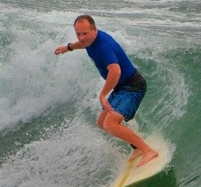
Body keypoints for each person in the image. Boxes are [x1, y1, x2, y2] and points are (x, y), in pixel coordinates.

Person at [54, 14, 158, 167]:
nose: (82, 37)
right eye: (78, 34)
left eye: (85, 33)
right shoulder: (90, 40)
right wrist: (68, 47)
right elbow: (83, 44)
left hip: (132, 86)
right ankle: (136, 146)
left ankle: (148, 151)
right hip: (121, 87)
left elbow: (115, 71)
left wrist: (103, 95)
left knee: (110, 123)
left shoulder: (103, 46)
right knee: (102, 123)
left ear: (94, 29)